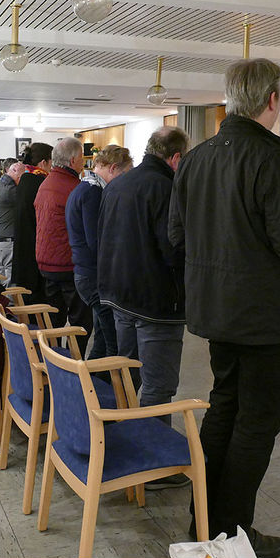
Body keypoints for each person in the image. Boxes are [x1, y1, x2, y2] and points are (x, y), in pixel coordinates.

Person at [169, 58, 280, 558]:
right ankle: (232, 534)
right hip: (267, 321)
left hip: (218, 313)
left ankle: (206, 517)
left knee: (225, 410)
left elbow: (177, 234)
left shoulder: (197, 158)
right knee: (255, 424)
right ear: (272, 100)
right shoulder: (270, 158)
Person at [97, 125, 191, 492]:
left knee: (129, 374)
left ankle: (125, 449)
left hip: (120, 295)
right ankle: (154, 466)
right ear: (176, 157)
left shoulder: (118, 183)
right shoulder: (167, 188)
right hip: (156, 302)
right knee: (158, 384)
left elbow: (105, 236)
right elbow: (172, 249)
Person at [65, 145, 133, 359]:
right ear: (113, 168)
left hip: (87, 273)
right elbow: (97, 241)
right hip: (92, 275)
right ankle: (112, 390)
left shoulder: (85, 187)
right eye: (125, 174)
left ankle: (93, 386)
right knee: (114, 343)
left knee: (103, 339)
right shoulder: (93, 193)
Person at [34, 137, 91, 348]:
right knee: (80, 322)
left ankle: (54, 365)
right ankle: (73, 368)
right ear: (74, 160)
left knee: (55, 321)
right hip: (67, 264)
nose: (83, 163)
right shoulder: (75, 188)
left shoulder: (45, 183)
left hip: (46, 262)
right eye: (82, 159)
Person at [12, 143, 53, 304]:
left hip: (23, 247)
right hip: (33, 248)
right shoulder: (40, 182)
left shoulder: (25, 179)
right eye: (51, 163)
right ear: (43, 163)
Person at [0, 159, 24, 283]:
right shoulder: (10, 191)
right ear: (16, 175)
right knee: (10, 282)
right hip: (8, 243)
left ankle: (1, 303)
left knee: (2, 279)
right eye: (21, 178)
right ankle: (11, 303)